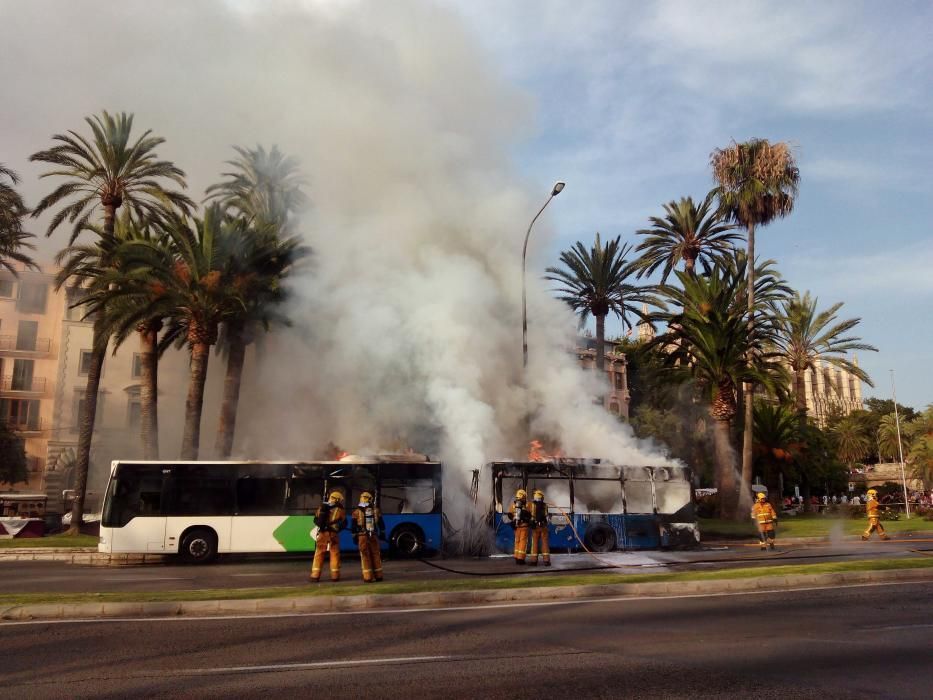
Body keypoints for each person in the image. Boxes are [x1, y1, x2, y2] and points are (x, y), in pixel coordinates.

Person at [310, 491, 346, 582]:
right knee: (334, 553)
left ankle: (315, 576)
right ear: (337, 499)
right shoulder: (340, 510)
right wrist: (337, 528)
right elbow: (344, 523)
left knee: (319, 554)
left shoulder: (321, 507)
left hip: (322, 533)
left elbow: (316, 520)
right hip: (333, 534)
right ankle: (335, 576)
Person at [351, 491, 385, 583]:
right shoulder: (375, 510)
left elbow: (353, 526)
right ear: (370, 499)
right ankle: (379, 576)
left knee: (365, 556)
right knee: (375, 554)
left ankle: (368, 577)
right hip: (373, 535)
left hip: (362, 536)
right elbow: (381, 524)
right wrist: (382, 533)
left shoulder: (356, 512)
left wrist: (354, 536)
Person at [527, 489, 551, 566]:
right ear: (542, 497)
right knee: (545, 544)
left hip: (535, 527)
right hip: (543, 527)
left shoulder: (532, 505)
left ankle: (534, 561)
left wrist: (531, 522)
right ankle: (546, 561)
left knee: (535, 544)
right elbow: (547, 517)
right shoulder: (545, 505)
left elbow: (529, 515)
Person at [508, 488, 532, 564]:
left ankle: (516, 556)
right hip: (524, 527)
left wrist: (513, 520)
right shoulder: (528, 505)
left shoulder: (513, 505)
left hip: (516, 527)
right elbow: (531, 515)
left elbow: (510, 514)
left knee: (517, 542)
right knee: (523, 543)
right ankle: (520, 559)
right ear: (524, 497)